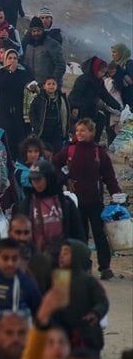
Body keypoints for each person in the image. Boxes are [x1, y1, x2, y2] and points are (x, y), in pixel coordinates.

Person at [53, 118, 123, 279]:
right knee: (80, 236)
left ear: (92, 132)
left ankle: (105, 267)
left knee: (100, 234)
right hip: (76, 202)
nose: (80, 134)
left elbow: (109, 176)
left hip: (96, 201)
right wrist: (64, 179)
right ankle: (84, 267)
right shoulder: (69, 150)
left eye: (83, 130)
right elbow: (55, 164)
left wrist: (116, 195)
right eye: (77, 131)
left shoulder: (99, 152)